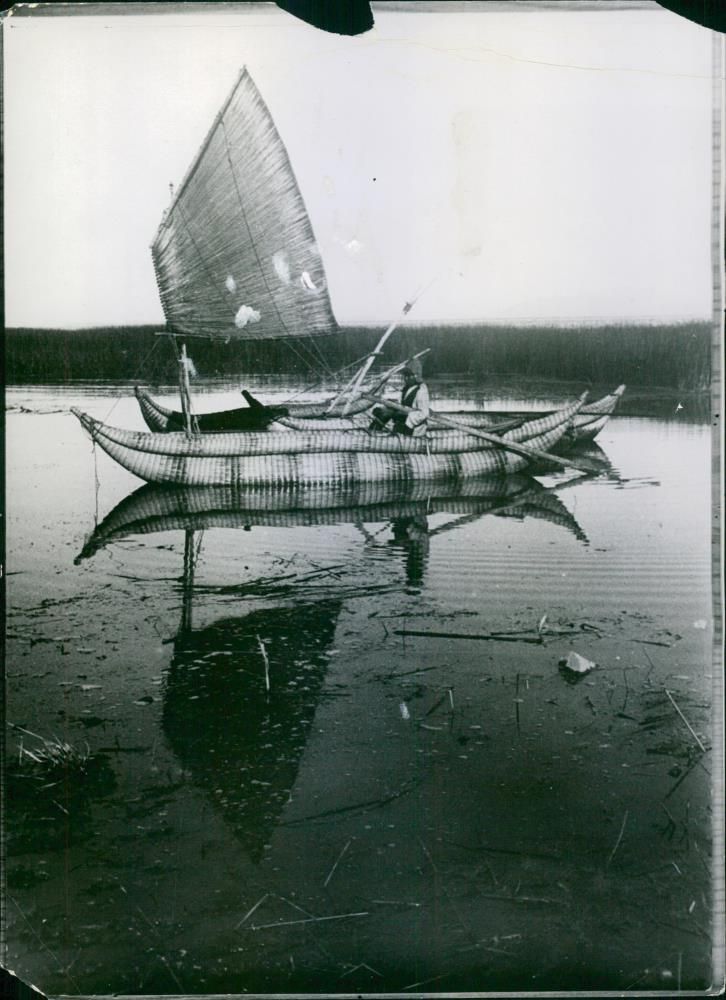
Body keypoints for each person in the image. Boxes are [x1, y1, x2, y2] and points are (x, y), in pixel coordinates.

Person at [369, 357, 430, 436]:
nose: (406, 378)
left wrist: (408, 420)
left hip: (412, 428)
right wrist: (387, 407)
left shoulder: (421, 391)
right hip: (401, 423)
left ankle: (375, 433)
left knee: (390, 413)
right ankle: (373, 431)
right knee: (385, 412)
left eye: (409, 376)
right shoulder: (406, 388)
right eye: (405, 376)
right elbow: (400, 404)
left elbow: (424, 413)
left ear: (416, 376)